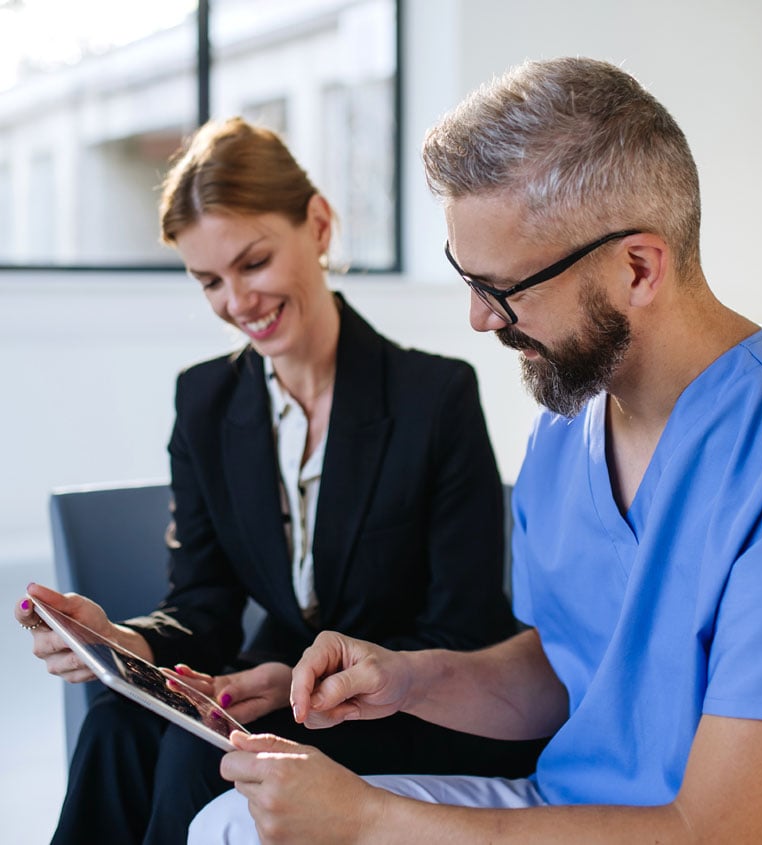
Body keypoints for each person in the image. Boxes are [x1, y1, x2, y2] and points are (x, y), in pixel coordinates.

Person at [187, 57, 762, 843]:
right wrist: (408, 677)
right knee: (234, 823)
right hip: (562, 804)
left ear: (637, 267)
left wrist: (369, 819)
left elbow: (718, 828)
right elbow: (566, 671)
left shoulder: (756, 455)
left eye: (504, 289)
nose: (478, 320)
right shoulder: (569, 426)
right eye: (467, 278)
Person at [14, 117, 544, 845]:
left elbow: (465, 623)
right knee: (115, 723)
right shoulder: (205, 401)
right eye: (209, 281)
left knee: (200, 758)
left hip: (413, 705)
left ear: (319, 225)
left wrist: (296, 675)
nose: (238, 301)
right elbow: (202, 605)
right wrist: (122, 641)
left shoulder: (434, 396)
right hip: (278, 688)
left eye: (253, 262)